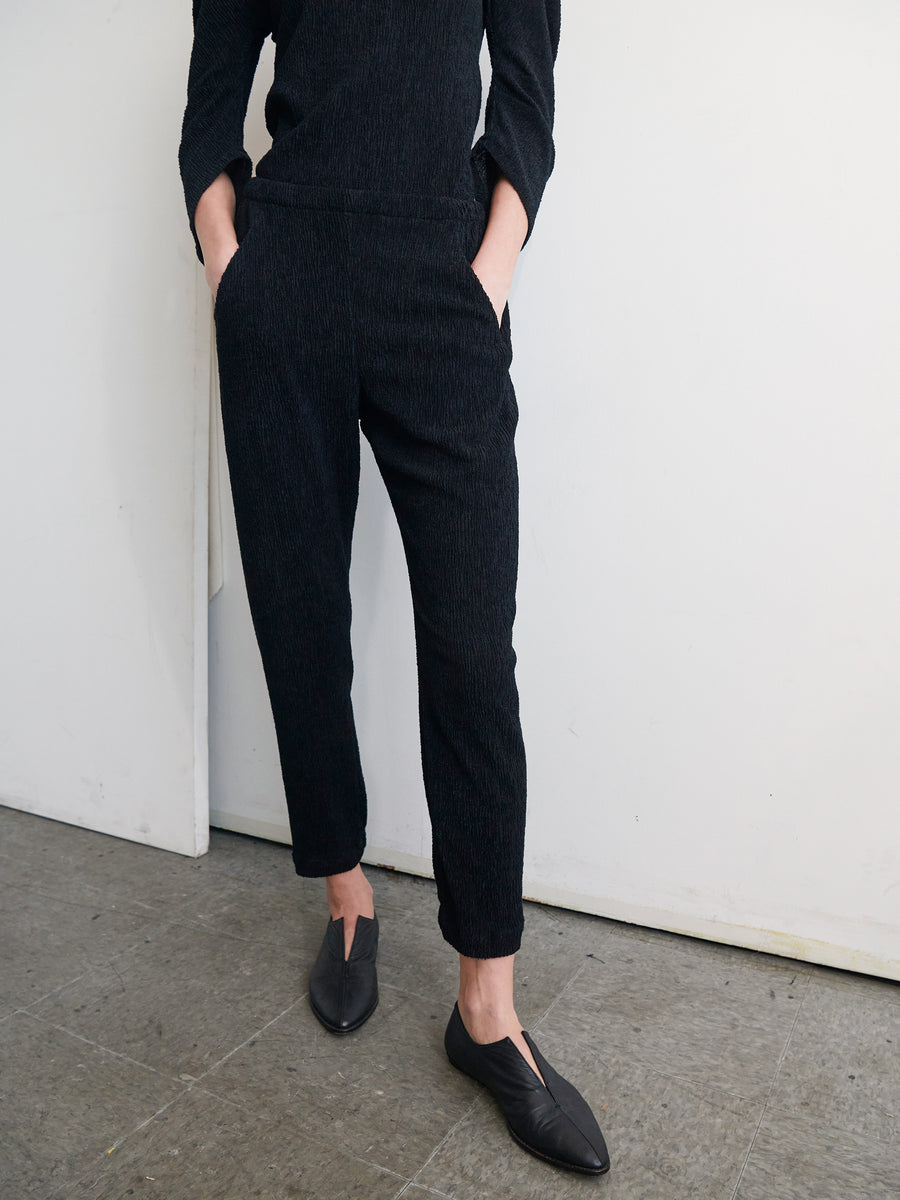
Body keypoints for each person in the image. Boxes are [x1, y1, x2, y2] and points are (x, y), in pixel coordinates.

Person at [178, 0, 609, 1177]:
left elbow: (525, 94)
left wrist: (486, 275)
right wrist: (235, 270)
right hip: (288, 276)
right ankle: (349, 895)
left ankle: (488, 1008)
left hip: (440, 281)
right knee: (300, 612)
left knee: (473, 645)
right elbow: (211, 106)